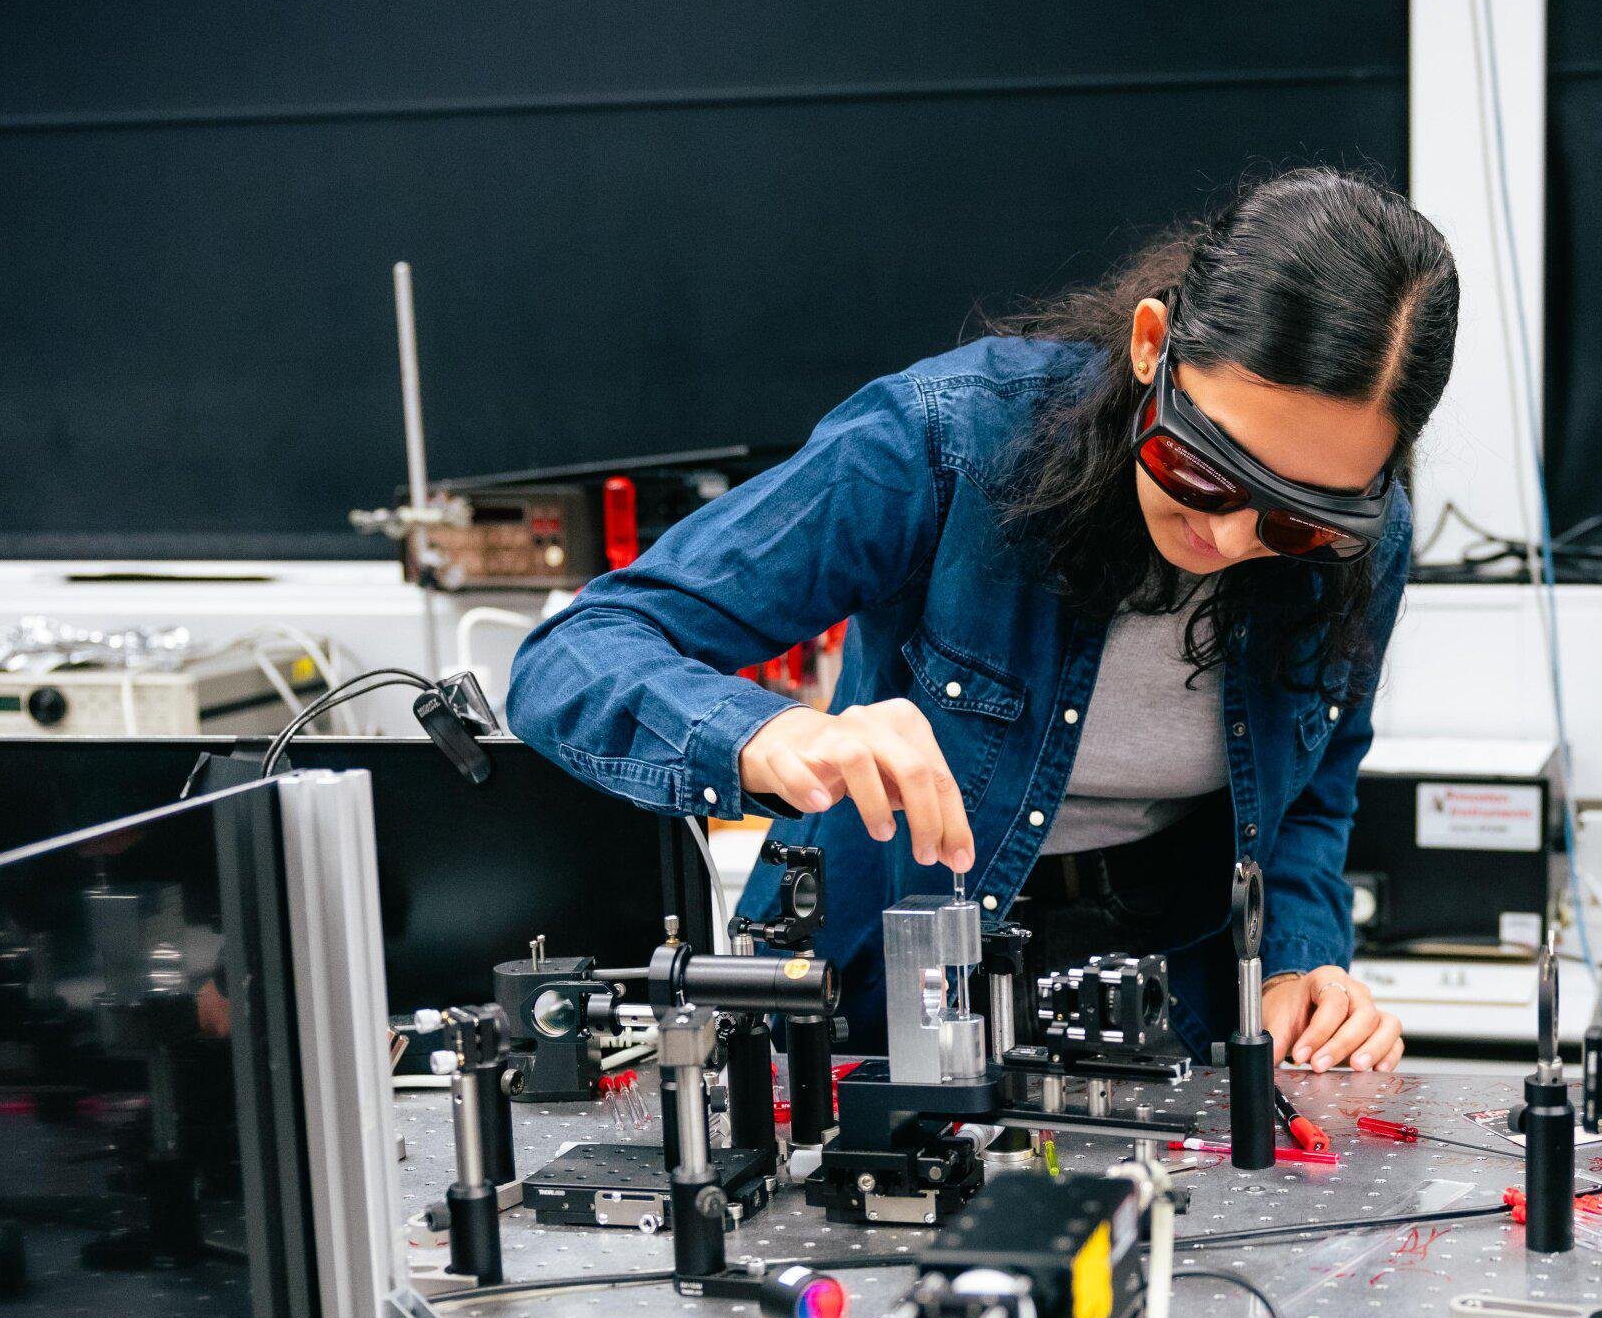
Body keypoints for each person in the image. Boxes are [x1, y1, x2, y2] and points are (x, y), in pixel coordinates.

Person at [507, 166, 1458, 1071]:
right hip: (879, 995)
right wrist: (768, 735)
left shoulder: (1363, 546)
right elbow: (572, 657)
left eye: (1297, 516)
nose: (1229, 532)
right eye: (1204, 468)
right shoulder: (947, 443)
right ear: (1151, 345)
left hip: (1176, 997)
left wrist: (1298, 961)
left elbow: (1316, 788)